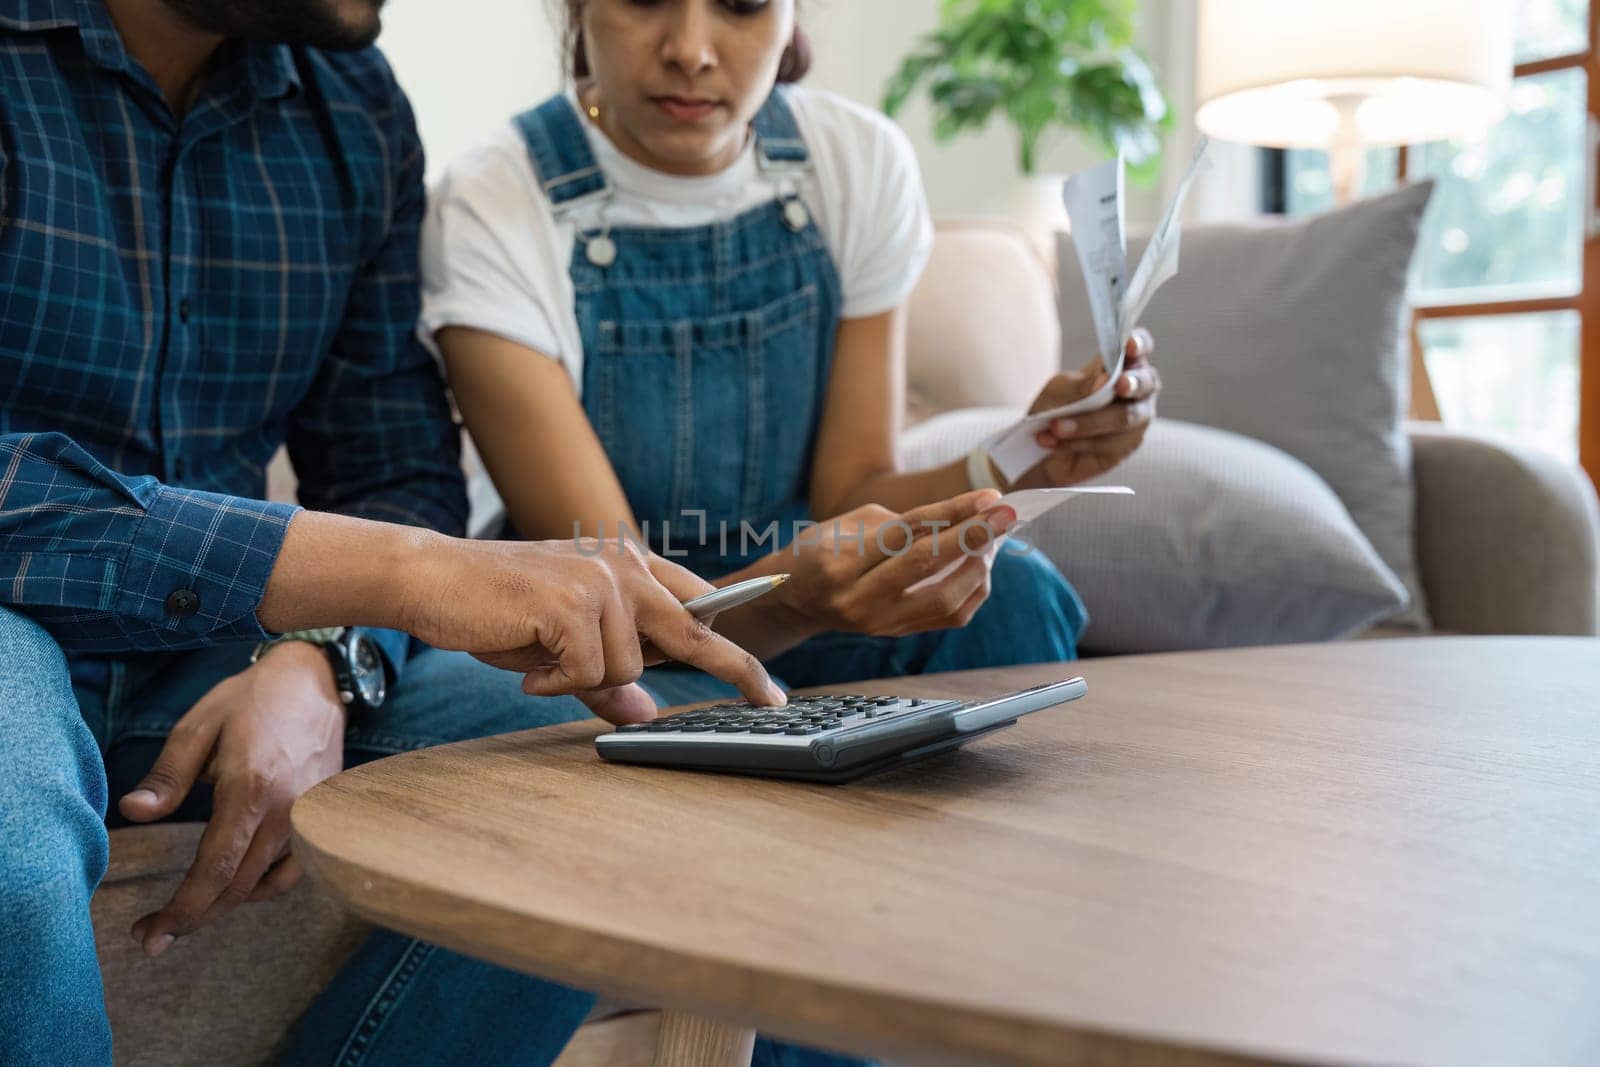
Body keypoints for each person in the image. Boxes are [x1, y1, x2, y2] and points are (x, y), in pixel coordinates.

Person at [0, 1, 994, 1062]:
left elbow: (390, 466)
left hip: (233, 635)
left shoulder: (351, 102)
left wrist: (323, 653)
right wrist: (398, 577)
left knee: (632, 769)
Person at [424, 0, 1163, 703]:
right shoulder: (494, 202)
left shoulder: (856, 160)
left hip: (800, 594)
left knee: (1016, 591)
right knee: (503, 710)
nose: (690, 50)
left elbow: (853, 493)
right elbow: (624, 604)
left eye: (741, 3)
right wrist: (792, 600)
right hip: (600, 635)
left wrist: (1031, 445)